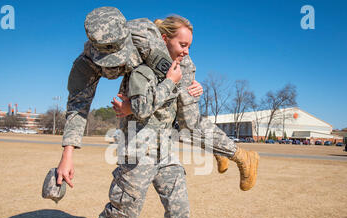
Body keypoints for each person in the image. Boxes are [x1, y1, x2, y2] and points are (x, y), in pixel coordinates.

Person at [57, 7, 259, 193]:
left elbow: (173, 82)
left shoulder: (147, 40)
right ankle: (215, 146)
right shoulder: (84, 66)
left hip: (174, 69)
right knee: (146, 123)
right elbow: (77, 108)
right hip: (141, 76)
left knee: (189, 124)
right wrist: (67, 156)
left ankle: (241, 156)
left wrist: (135, 107)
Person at [76, 10, 203, 218]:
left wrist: (193, 91)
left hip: (165, 149)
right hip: (138, 147)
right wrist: (170, 83)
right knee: (125, 214)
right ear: (165, 38)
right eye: (182, 45)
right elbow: (142, 108)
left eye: (189, 46)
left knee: (179, 208)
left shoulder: (178, 69)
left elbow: (184, 117)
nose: (186, 51)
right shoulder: (139, 66)